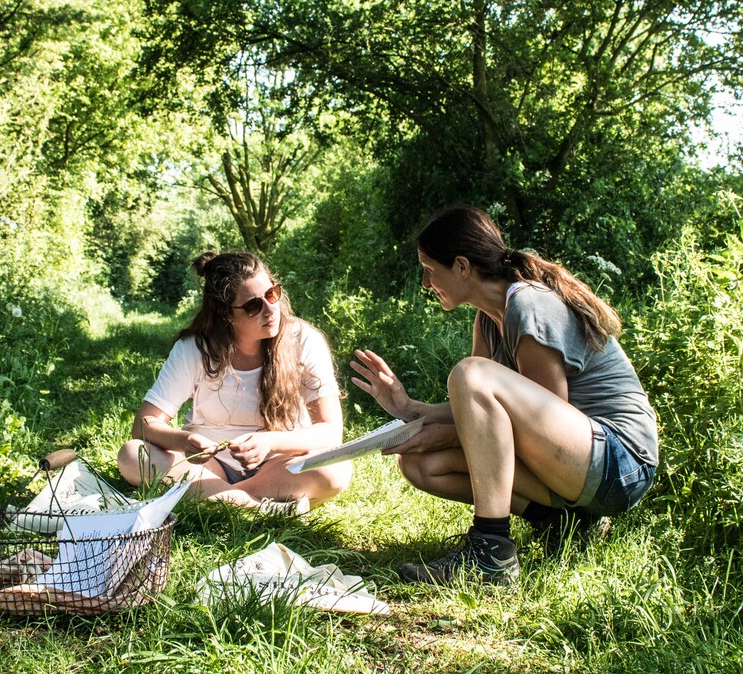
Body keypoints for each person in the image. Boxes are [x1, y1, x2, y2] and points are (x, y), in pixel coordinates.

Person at [350, 206, 658, 585]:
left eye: (430, 270)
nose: (426, 283)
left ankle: (490, 550)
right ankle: (561, 523)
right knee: (421, 465)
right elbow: (481, 411)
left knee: (470, 372)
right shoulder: (488, 318)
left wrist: (444, 433)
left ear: (462, 267)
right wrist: (409, 408)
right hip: (578, 463)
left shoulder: (529, 305)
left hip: (620, 461)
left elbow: (546, 418)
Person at [118, 251, 351, 514]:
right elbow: (143, 425)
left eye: (272, 294)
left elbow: (330, 432)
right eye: (253, 305)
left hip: (278, 465)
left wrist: (269, 443)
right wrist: (183, 441)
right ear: (226, 314)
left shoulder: (303, 339)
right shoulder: (194, 349)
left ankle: (222, 500)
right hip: (208, 467)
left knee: (336, 470)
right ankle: (257, 507)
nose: (270, 309)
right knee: (131, 455)